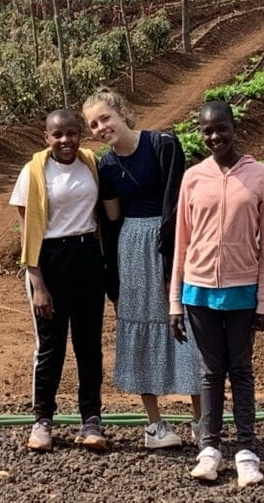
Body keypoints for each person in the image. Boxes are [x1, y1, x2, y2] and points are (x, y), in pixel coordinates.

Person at [82, 88, 202, 449]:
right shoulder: (106, 166)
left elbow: (177, 203)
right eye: (94, 125)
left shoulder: (163, 144)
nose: (102, 128)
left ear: (121, 113)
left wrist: (174, 254)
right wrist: (114, 274)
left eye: (105, 118)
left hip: (171, 242)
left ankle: (201, 421)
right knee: (140, 324)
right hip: (132, 246)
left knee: (186, 326)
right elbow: (113, 219)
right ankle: (155, 426)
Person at [169, 99, 264, 488]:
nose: (215, 136)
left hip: (242, 290)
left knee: (242, 370)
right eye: (207, 130)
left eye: (221, 128)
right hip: (198, 291)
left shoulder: (260, 176)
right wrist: (175, 302)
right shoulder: (193, 177)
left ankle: (246, 451)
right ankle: (209, 449)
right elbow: (182, 242)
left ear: (234, 127)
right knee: (210, 371)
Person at [9, 109, 108, 452]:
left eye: (71, 133)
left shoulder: (90, 164)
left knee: (88, 344)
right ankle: (42, 420)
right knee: (50, 347)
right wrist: (36, 281)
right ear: (46, 138)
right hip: (49, 261)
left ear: (80, 134)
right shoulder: (34, 172)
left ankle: (91, 420)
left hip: (87, 258)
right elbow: (26, 230)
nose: (65, 141)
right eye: (57, 135)